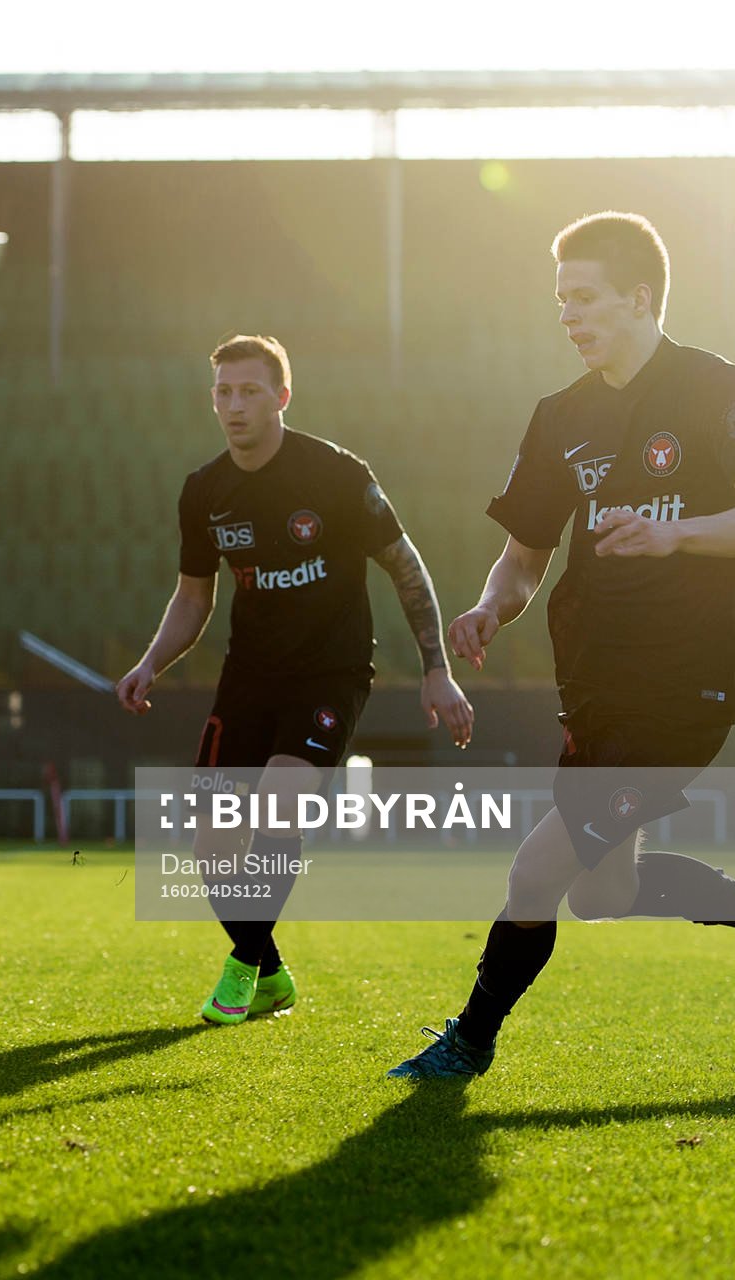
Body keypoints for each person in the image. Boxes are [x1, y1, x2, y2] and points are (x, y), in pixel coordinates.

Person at [388, 212, 735, 1081]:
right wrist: (489, 608)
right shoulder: (560, 418)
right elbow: (523, 560)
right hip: (595, 691)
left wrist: (677, 533)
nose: (568, 316)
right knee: (602, 893)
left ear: (639, 297)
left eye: (584, 298)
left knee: (535, 874)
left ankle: (467, 1044)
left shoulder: (709, 386)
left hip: (683, 692)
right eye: (561, 301)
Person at [116, 335, 473, 1026]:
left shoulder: (336, 474)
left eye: (250, 391)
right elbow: (194, 597)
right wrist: (150, 662)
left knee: (280, 805)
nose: (235, 406)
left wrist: (437, 669)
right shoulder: (204, 491)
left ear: (281, 396)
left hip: (330, 675)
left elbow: (405, 567)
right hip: (248, 678)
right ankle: (272, 973)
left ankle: (241, 969)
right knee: (211, 846)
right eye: (224, 392)